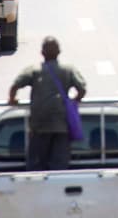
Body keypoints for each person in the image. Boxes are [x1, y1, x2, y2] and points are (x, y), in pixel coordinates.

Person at [8, 36, 86, 170]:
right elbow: (82, 89)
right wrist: (75, 101)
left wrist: (12, 100)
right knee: (59, 166)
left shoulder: (34, 70)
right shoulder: (68, 70)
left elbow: (15, 86)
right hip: (61, 126)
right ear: (59, 52)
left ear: (42, 53)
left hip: (39, 125)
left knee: (36, 166)